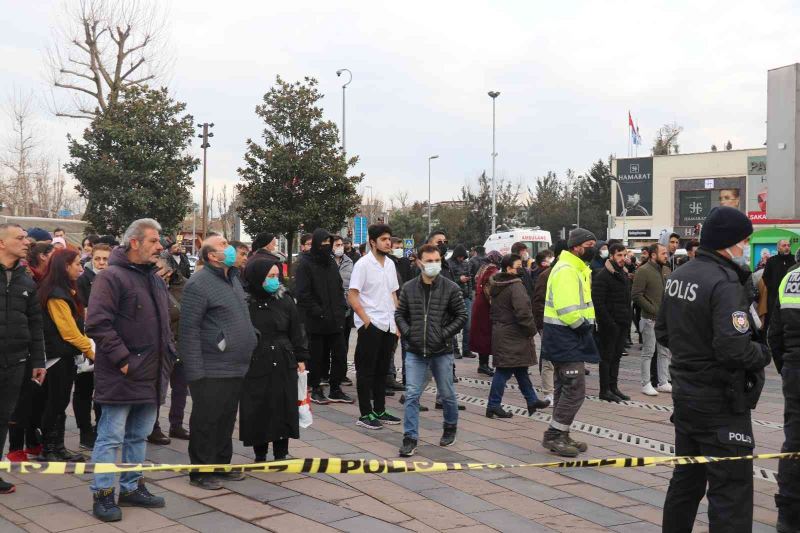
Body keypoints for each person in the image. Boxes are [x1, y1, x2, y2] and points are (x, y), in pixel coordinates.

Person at [657, 206, 770, 532]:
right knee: (731, 493)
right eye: (744, 241)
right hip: (722, 403)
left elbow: (663, 332)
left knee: (686, 481)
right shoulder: (725, 284)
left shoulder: (679, 276)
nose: (746, 247)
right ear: (728, 242)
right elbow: (732, 347)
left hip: (686, 398)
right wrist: (762, 354)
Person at [86, 219, 172, 521]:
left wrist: (168, 357)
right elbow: (97, 323)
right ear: (134, 242)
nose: (160, 246)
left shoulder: (155, 279)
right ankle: (103, 493)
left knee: (139, 435)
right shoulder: (110, 277)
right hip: (122, 375)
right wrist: (124, 360)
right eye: (153, 241)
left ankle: (132, 486)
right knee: (111, 437)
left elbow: (164, 324)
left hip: (151, 374)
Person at [180, 235, 258, 491]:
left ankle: (221, 464)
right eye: (224, 245)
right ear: (212, 256)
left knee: (226, 418)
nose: (230, 248)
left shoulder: (233, 278)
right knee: (206, 419)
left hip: (235, 364)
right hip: (211, 366)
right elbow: (188, 330)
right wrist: (194, 371)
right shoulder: (198, 283)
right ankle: (201, 471)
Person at [395, 244, 466, 457]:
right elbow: (400, 314)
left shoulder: (450, 287)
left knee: (447, 393)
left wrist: (443, 334)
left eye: (437, 261)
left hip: (441, 350)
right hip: (415, 351)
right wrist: (409, 333)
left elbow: (461, 316)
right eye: (429, 261)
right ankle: (410, 437)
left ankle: (450, 426)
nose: (434, 265)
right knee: (412, 395)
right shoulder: (409, 287)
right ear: (419, 262)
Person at [241, 259, 309, 461]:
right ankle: (259, 454)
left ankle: (281, 452)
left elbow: (296, 329)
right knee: (258, 406)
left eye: (276, 276)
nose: (274, 280)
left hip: (283, 357)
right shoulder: (245, 302)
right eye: (269, 276)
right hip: (256, 359)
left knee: (283, 405)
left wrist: (301, 356)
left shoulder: (284, 299)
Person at [541, 228, 599, 457]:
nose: (594, 249)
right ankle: (554, 435)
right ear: (576, 247)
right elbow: (568, 310)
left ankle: (561, 434)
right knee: (574, 390)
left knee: (565, 388)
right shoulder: (567, 270)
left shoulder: (576, 268)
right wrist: (583, 327)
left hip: (564, 336)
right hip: (565, 336)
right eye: (590, 245)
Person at [0, 224, 46, 494]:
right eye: (19, 238)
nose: (26, 242)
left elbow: (35, 323)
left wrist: (38, 361)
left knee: (3, 418)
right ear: (2, 243)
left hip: (15, 363)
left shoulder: (26, 279)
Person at [37, 248, 92, 462]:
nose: (81, 267)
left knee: (59, 402)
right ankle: (50, 448)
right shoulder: (56, 294)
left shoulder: (64, 290)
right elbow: (68, 332)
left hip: (63, 355)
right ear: (64, 266)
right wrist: (91, 351)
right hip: (57, 357)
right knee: (56, 402)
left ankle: (57, 447)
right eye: (77, 264)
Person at [348, 224, 402, 429]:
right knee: (366, 370)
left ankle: (380, 409)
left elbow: (393, 294)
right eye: (384, 239)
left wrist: (397, 321)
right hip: (371, 324)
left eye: (390, 239)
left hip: (388, 324)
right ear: (373, 242)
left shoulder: (389, 264)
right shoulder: (363, 264)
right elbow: (352, 294)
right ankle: (365, 414)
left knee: (382, 369)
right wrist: (365, 319)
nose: (388, 242)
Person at [486, 254, 550, 419]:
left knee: (520, 369)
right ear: (508, 269)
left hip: (504, 332)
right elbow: (523, 312)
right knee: (504, 370)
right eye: (518, 266)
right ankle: (493, 405)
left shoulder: (498, 284)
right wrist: (531, 330)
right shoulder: (515, 286)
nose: (521, 268)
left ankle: (532, 400)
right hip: (513, 334)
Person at [294, 229, 352, 405]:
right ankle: (316, 387)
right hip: (316, 320)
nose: (326, 247)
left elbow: (338, 286)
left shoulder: (331, 263)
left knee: (340, 354)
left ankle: (335, 388)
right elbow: (303, 293)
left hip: (336, 318)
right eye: (323, 244)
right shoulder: (305, 264)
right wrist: (318, 311)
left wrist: (341, 308)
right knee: (317, 356)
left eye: (329, 243)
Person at [769, 260, 800, 531]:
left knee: (794, 442)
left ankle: (788, 515)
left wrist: (787, 368)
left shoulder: (790, 277)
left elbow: (774, 334)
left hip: (794, 370)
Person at [147, 258, 190, 445]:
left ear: (171, 271)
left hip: (182, 344)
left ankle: (177, 424)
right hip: (161, 346)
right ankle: (152, 427)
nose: (158, 273)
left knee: (180, 388)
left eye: (162, 270)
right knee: (158, 389)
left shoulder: (186, 286)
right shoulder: (150, 286)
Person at [73, 243, 111, 450]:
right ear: (92, 259)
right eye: (98, 259)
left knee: (103, 388)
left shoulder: (114, 279)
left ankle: (101, 427)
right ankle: (85, 431)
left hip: (107, 340)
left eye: (105, 259)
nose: (102, 263)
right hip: (86, 339)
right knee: (84, 388)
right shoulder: (83, 280)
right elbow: (81, 309)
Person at [592, 242, 632, 403]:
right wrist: (610, 323)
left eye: (624, 255)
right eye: (619, 255)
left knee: (616, 357)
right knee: (606, 357)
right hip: (609, 325)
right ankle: (604, 390)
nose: (623, 258)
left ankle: (613, 387)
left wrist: (627, 321)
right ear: (611, 256)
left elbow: (625, 300)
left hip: (622, 323)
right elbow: (598, 303)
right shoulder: (603, 275)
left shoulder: (623, 274)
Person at [632, 243, 671, 396]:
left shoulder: (667, 270)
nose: (666, 255)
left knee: (664, 351)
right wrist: (653, 309)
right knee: (648, 351)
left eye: (666, 253)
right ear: (653, 255)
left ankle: (663, 382)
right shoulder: (643, 271)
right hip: (649, 319)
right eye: (663, 253)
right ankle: (646, 383)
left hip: (664, 320)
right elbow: (636, 295)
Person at [533, 240, 568, 406]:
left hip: (567, 324)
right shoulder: (546, 275)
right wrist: (541, 325)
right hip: (549, 324)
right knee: (548, 361)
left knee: (563, 359)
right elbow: (538, 301)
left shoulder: (571, 273)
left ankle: (561, 389)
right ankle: (549, 393)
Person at [470, 251, 502, 377]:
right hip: (485, 306)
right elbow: (490, 288)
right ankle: (483, 365)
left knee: (482, 335)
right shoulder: (492, 270)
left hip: (479, 304)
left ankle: (483, 364)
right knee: (485, 335)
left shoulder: (483, 268)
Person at [763, 239, 796, 343]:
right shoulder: (772, 261)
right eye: (784, 245)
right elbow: (765, 277)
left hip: (791, 298)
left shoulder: (794, 260)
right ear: (778, 248)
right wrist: (773, 288)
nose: (787, 247)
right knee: (774, 322)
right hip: (774, 298)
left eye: (788, 245)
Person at [332, 235, 354, 386]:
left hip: (345, 309)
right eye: (337, 244)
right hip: (331, 309)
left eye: (341, 244)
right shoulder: (326, 261)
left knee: (344, 343)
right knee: (332, 344)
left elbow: (351, 284)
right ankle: (326, 373)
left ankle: (342, 373)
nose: (340, 247)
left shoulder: (349, 261)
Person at [448, 244, 475, 360]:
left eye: (463, 257)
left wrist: (469, 296)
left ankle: (466, 349)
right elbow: (448, 280)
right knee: (453, 325)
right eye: (460, 257)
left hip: (466, 297)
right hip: (453, 297)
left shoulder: (466, 263)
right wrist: (459, 280)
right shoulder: (449, 264)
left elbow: (470, 281)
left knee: (468, 324)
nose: (461, 259)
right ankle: (455, 350)